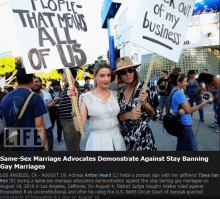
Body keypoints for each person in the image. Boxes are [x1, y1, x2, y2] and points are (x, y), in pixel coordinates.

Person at [69, 63, 126, 151]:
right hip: (98, 142)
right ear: (94, 77)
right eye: (102, 76)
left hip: (118, 140)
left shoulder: (116, 95)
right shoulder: (86, 97)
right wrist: (73, 102)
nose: (106, 79)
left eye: (108, 75)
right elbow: (78, 127)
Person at [115, 57, 162, 151]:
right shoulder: (119, 93)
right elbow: (116, 117)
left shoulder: (147, 88)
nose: (128, 74)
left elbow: (157, 115)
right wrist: (127, 115)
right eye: (123, 72)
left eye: (130, 70)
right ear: (119, 75)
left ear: (134, 71)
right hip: (124, 140)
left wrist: (145, 104)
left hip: (143, 139)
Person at [0, 68, 48, 151]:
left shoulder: (4, 98)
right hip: (30, 138)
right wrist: (45, 143)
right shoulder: (35, 98)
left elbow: (4, 121)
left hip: (12, 137)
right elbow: (39, 124)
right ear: (32, 80)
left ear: (17, 79)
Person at [170, 74, 209, 151]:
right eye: (185, 81)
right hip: (185, 123)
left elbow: (188, 106)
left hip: (180, 123)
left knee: (181, 146)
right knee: (193, 147)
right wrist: (202, 104)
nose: (187, 83)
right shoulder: (179, 93)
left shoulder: (174, 90)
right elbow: (189, 110)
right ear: (178, 82)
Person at [59, 68, 81, 151]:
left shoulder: (73, 86)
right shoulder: (66, 87)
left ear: (70, 75)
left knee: (73, 147)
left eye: (64, 73)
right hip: (66, 121)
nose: (62, 75)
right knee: (70, 146)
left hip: (71, 121)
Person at [31, 76, 54, 151]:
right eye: (33, 82)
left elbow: (49, 110)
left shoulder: (47, 94)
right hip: (33, 128)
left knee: (49, 148)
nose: (35, 84)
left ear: (41, 83)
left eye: (37, 81)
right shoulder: (28, 95)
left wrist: (50, 106)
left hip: (47, 126)